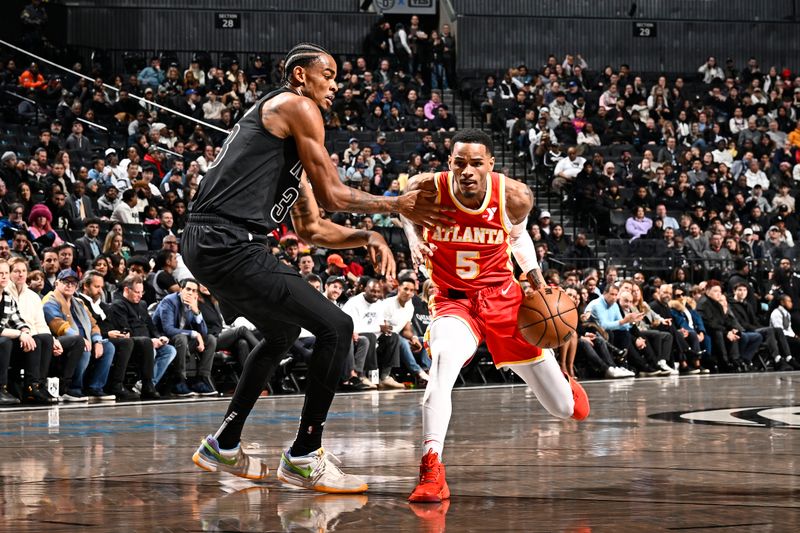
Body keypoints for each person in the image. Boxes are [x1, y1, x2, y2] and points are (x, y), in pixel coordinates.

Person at [183, 43, 445, 493]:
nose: (334, 85)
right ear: (300, 75)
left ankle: (223, 444)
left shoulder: (284, 148)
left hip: (210, 243)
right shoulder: (295, 104)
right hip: (229, 240)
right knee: (337, 327)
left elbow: (313, 227)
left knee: (282, 334)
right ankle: (305, 454)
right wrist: (395, 206)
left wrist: (368, 236)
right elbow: (335, 195)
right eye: (328, 74)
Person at [400, 129, 589, 503]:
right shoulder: (427, 188)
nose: (466, 170)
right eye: (459, 163)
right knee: (443, 364)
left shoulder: (514, 196)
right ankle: (431, 468)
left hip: (504, 299)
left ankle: (566, 382)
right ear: (449, 163)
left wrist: (536, 280)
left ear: (490, 164)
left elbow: (517, 237)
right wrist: (414, 239)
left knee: (565, 409)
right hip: (453, 301)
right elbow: (404, 211)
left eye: (475, 163)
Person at [42, 269, 116, 401]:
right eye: (66, 282)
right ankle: (73, 388)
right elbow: (58, 325)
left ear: (77, 286)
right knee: (81, 344)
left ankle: (95, 388)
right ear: (57, 283)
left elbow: (93, 325)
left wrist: (97, 341)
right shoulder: (50, 300)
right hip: (61, 342)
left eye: (73, 283)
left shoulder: (79, 303)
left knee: (108, 346)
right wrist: (81, 339)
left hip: (83, 341)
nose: (70, 285)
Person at [152, 278, 217, 396]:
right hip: (164, 340)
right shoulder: (169, 301)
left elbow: (204, 333)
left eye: (194, 291)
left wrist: (196, 311)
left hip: (183, 341)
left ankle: (201, 379)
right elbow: (168, 329)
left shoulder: (193, 303)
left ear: (197, 294)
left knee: (210, 340)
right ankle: (179, 381)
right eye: (188, 289)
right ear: (181, 289)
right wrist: (194, 334)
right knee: (181, 338)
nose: (190, 293)